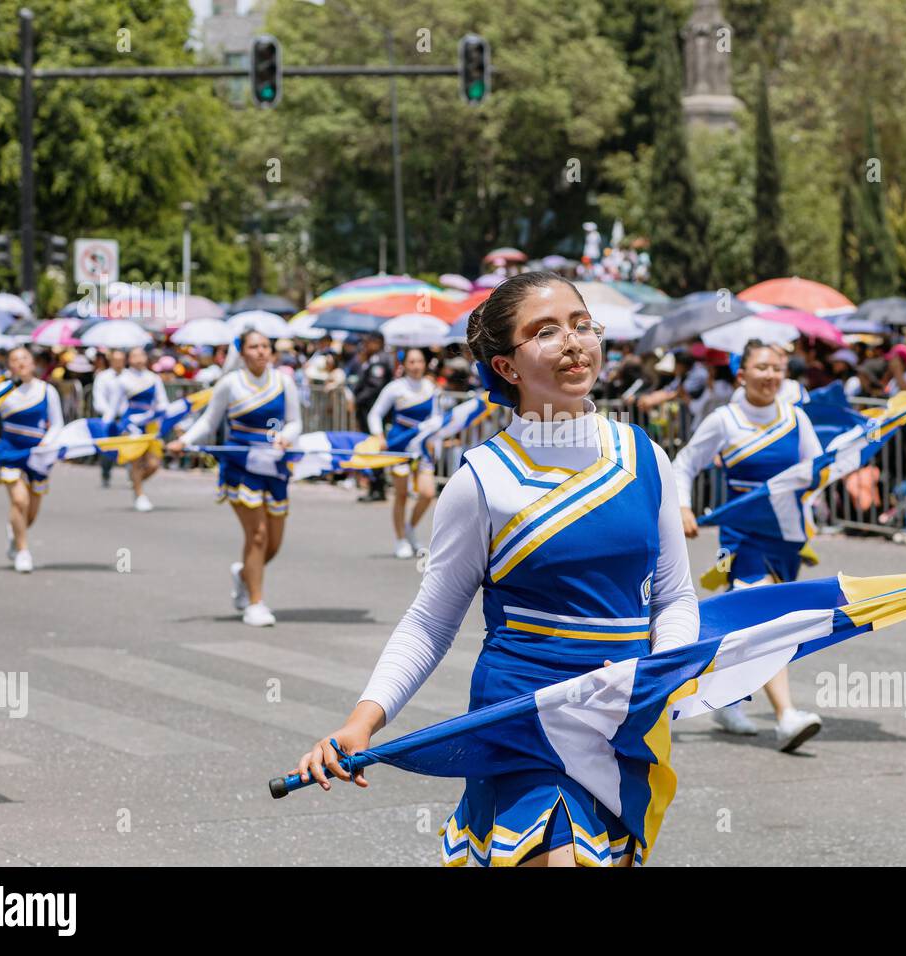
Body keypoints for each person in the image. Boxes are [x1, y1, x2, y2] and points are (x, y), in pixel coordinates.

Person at [295, 272, 699, 867]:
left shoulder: (646, 456)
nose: (573, 341)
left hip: (623, 720)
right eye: (546, 331)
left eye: (582, 324)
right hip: (525, 719)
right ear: (507, 368)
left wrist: (663, 677)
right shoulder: (481, 481)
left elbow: (674, 598)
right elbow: (431, 621)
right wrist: (363, 721)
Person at [671, 340, 825, 752]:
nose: (771, 375)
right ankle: (786, 716)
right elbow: (684, 463)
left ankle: (720, 696)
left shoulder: (796, 419)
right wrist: (683, 507)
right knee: (767, 619)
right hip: (743, 537)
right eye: (761, 367)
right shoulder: (725, 420)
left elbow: (818, 472)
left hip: (787, 538)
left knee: (748, 620)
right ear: (742, 374)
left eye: (777, 368)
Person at [166, 329, 301, 627]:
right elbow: (209, 422)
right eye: (254, 346)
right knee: (258, 535)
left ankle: (243, 574)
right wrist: (184, 442)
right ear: (242, 352)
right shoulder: (230, 384)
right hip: (241, 466)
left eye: (266, 346)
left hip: (275, 466)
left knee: (274, 544)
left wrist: (285, 438)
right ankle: (256, 603)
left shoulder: (284, 382)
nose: (261, 351)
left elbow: (294, 421)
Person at [0, 347, 63, 573]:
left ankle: (16, 534)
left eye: (24, 359)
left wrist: (47, 443)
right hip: (10, 454)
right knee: (19, 501)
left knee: (31, 511)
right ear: (9, 366)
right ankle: (23, 551)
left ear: (33, 362)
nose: (20, 363)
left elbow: (57, 423)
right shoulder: (1, 391)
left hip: (38, 456)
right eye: (15, 360)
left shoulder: (47, 391)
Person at [366, 347, 442, 558]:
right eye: (411, 362)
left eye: (419, 361)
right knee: (400, 495)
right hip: (399, 446)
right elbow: (375, 414)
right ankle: (400, 539)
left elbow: (436, 417)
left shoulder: (430, 387)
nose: (416, 366)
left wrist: (434, 440)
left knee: (427, 493)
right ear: (404, 365)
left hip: (422, 446)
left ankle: (410, 528)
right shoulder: (395, 388)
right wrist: (379, 435)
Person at [110, 346, 169, 512]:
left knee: (153, 463)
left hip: (150, 424)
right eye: (134, 355)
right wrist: (111, 424)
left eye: (141, 355)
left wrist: (160, 413)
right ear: (129, 359)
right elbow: (115, 406)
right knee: (136, 461)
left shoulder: (153, 378)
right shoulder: (123, 379)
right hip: (132, 424)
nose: (138, 359)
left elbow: (162, 401)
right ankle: (139, 494)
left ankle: (136, 482)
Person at [346, 334, 394, 501]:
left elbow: (374, 386)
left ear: (378, 342)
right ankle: (375, 486)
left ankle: (377, 488)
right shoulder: (373, 358)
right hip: (368, 410)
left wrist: (357, 400)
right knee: (371, 447)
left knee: (375, 448)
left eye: (369, 341)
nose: (366, 345)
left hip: (372, 410)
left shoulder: (379, 360)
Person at [92, 349, 125, 488]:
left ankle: (133, 477)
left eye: (121, 360)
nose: (119, 363)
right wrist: (108, 413)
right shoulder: (103, 377)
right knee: (108, 449)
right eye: (116, 360)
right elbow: (99, 399)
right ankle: (106, 473)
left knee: (130, 448)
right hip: (108, 418)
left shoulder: (129, 376)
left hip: (125, 418)